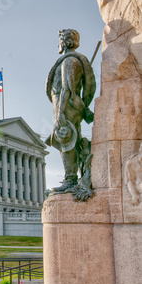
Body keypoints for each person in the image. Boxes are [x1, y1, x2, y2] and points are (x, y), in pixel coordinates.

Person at [45, 29, 96, 195]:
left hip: (66, 105)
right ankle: (75, 177)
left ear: (65, 42)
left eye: (60, 40)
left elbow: (67, 88)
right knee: (69, 140)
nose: (58, 44)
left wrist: (60, 113)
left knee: (66, 140)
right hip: (67, 105)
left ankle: (71, 179)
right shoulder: (72, 60)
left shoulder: (69, 61)